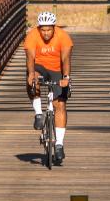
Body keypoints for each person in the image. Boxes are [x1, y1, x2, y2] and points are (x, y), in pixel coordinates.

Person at [24, 11, 73, 163]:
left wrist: (66, 78)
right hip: (40, 66)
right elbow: (30, 57)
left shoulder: (63, 37)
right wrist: (31, 74)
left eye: (49, 29)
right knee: (34, 79)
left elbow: (65, 58)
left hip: (57, 69)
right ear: (39, 28)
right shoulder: (32, 36)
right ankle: (39, 114)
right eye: (43, 30)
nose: (45, 33)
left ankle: (59, 144)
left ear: (54, 27)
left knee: (60, 105)